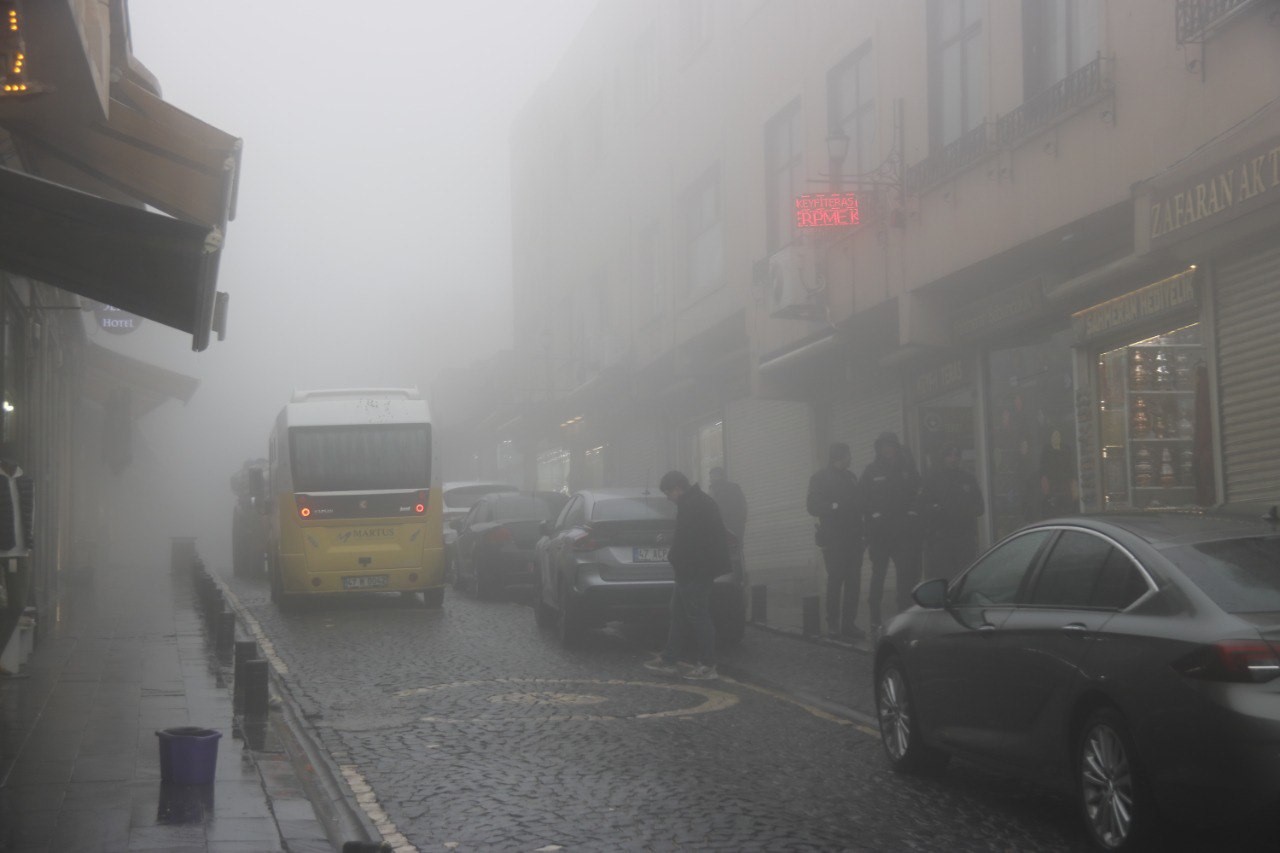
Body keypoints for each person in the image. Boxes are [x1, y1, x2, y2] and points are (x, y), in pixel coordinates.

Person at [644, 470, 730, 680]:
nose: (668, 498)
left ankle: (708, 665)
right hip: (692, 570)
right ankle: (670, 659)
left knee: (698, 615)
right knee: (680, 614)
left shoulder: (692, 506)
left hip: (695, 570)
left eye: (668, 493)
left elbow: (690, 542)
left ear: (677, 488)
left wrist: (676, 558)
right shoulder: (698, 502)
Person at [860, 432, 921, 635]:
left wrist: (912, 513)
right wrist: (874, 516)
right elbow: (863, 499)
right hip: (880, 535)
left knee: (905, 577)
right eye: (884, 446)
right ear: (878, 448)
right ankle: (875, 619)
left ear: (897, 447)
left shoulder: (907, 468)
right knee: (878, 575)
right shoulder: (871, 471)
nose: (887, 450)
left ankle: (903, 618)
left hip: (903, 533)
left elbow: (918, 492)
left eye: (891, 446)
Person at [807, 442, 865, 640]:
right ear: (839, 456)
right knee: (836, 579)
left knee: (853, 582)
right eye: (848, 455)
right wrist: (835, 506)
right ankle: (833, 623)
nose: (850, 458)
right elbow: (813, 506)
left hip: (854, 538)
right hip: (834, 538)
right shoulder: (820, 478)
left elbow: (859, 504)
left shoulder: (851, 478)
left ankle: (849, 624)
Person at [920, 444, 984, 581]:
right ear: (943, 457)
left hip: (964, 539)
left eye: (956, 455)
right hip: (941, 540)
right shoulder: (933, 479)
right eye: (949, 455)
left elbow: (980, 507)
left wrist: (965, 510)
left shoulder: (968, 479)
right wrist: (936, 509)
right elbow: (922, 506)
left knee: (965, 578)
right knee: (943, 579)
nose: (953, 459)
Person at [708, 466, 747, 557]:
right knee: (737, 548)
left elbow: (710, 510)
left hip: (724, 526)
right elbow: (743, 505)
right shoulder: (734, 487)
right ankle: (739, 569)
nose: (711, 479)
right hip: (736, 525)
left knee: (724, 549)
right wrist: (742, 521)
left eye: (712, 477)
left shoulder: (713, 491)